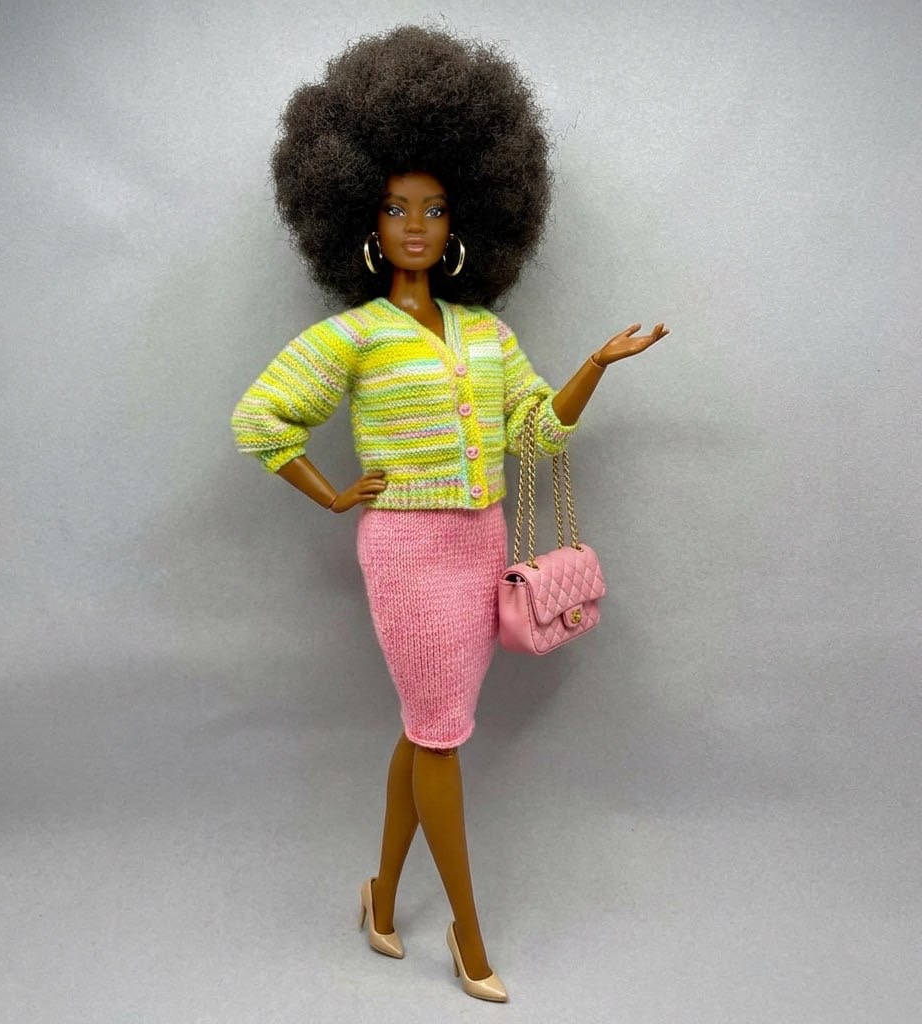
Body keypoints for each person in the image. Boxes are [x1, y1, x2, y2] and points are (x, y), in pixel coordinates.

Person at [232, 26, 667, 1002]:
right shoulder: (353, 337)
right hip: (406, 553)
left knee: (426, 727)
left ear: (465, 216)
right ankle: (470, 937)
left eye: (432, 208)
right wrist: (332, 491)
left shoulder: (486, 333)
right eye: (396, 207)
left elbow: (535, 434)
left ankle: (381, 897)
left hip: (479, 545)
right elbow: (260, 419)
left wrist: (595, 366)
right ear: (362, 217)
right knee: (438, 734)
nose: (416, 225)